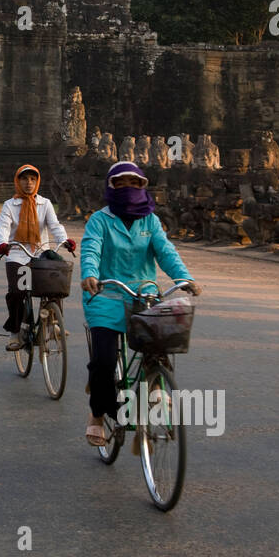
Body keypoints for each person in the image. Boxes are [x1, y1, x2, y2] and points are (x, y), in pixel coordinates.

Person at [80, 161, 202, 449]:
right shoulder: (100, 219)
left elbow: (165, 251)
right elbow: (91, 248)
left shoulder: (150, 221)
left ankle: (157, 387)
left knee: (159, 344)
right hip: (106, 293)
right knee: (104, 362)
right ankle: (98, 415)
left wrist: (184, 277)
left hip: (143, 294)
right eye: (121, 183)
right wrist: (89, 273)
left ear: (143, 186)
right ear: (111, 186)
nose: (128, 189)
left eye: (134, 184)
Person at [0, 164, 76, 350]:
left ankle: (54, 322)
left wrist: (65, 240)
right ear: (18, 181)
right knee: (18, 291)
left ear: (37, 181)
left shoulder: (45, 203)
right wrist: (2, 244)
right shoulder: (10, 205)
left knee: (56, 280)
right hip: (17, 253)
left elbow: (54, 225)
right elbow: (3, 227)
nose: (29, 183)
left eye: (33, 179)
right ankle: (15, 333)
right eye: (25, 179)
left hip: (40, 252)